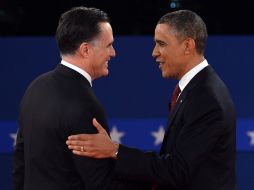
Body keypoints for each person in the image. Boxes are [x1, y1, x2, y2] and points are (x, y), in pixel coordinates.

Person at [66, 10, 237, 190]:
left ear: (188, 46)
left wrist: (114, 150)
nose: (154, 53)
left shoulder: (206, 97)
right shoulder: (196, 89)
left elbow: (178, 170)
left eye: (161, 44)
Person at [13, 6, 141, 190]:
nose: (113, 53)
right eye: (109, 45)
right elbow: (100, 184)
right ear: (86, 50)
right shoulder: (85, 105)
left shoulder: (36, 86)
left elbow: (20, 164)